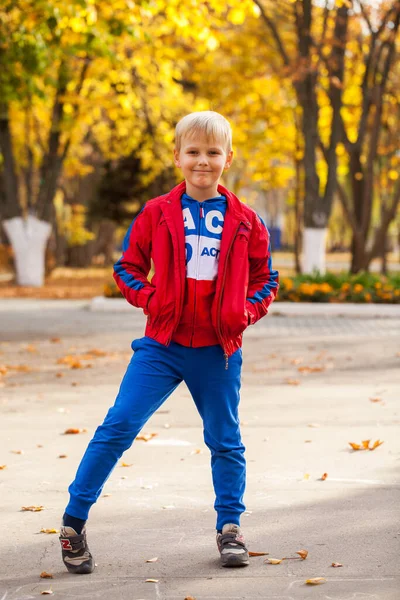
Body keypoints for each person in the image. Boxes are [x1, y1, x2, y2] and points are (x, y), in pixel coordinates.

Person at [59, 111, 279, 574]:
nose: (203, 161)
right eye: (193, 152)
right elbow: (127, 268)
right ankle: (73, 524)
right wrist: (150, 299)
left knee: (225, 439)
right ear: (177, 156)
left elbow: (266, 278)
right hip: (162, 345)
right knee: (117, 426)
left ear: (228, 158)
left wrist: (245, 312)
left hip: (218, 350)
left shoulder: (245, 221)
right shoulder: (157, 213)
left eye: (213, 153)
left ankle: (231, 528)